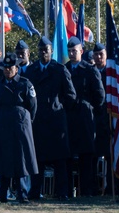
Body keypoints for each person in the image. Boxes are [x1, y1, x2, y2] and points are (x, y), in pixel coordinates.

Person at [26, 35, 77, 200]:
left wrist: (59, 108)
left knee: (60, 160)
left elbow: (71, 95)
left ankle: (62, 192)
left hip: (56, 121)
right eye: (40, 50)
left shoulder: (60, 70)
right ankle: (35, 192)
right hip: (38, 120)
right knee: (38, 160)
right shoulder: (31, 70)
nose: (43, 53)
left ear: (52, 51)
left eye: (46, 50)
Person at [0, 53, 39, 204]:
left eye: (10, 68)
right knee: (4, 159)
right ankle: (2, 194)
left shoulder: (25, 84)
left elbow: (33, 106)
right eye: (5, 68)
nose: (7, 70)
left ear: (17, 68)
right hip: (3, 125)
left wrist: (25, 122)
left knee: (21, 160)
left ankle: (22, 194)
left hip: (20, 126)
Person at [65, 36, 105, 197]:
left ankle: (88, 190)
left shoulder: (90, 70)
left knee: (86, 156)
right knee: (68, 155)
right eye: (69, 51)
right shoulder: (64, 69)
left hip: (86, 116)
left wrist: (92, 110)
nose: (72, 54)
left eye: (75, 51)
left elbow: (99, 95)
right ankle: (67, 190)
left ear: (81, 51)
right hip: (68, 116)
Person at [92, 42, 111, 193]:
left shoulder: (112, 73)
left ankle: (111, 187)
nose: (98, 58)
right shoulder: (90, 71)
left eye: (101, 55)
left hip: (110, 118)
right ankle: (95, 186)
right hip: (93, 119)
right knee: (94, 154)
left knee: (110, 156)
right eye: (96, 55)